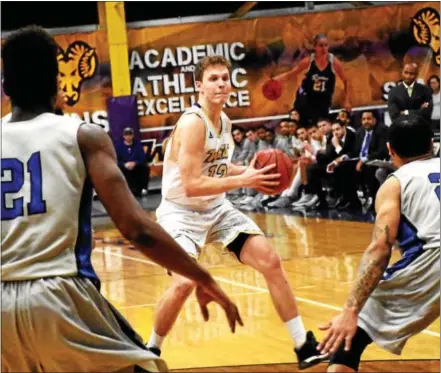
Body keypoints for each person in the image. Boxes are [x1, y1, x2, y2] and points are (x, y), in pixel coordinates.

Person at [1, 26, 243, 373]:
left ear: (6, 86)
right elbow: (137, 229)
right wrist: (204, 278)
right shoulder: (82, 136)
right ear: (58, 83)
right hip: (59, 295)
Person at [146, 55, 328, 370]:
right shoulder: (193, 123)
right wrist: (243, 180)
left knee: (271, 261)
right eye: (213, 78)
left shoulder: (225, 121)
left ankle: (302, 345)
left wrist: (252, 172)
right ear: (199, 85)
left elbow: (217, 166)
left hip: (216, 208)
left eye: (224, 78)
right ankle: (149, 351)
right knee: (183, 283)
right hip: (180, 212)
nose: (220, 84)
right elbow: (190, 184)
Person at [317, 115, 440, 372]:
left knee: (352, 332)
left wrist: (351, 309)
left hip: (431, 263)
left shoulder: (395, 183)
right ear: (432, 144)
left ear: (390, 150)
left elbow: (380, 249)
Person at [273, 34, 351, 127]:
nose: (324, 48)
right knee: (302, 126)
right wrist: (276, 80)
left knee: (320, 127)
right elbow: (291, 74)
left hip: (323, 100)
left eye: (326, 45)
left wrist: (347, 100)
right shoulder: (308, 61)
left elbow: (346, 81)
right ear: (315, 47)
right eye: (321, 45)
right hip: (306, 99)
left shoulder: (334, 62)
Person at [115, 127, 150, 197]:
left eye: (130, 134)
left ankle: (143, 188)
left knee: (145, 167)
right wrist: (124, 164)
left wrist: (135, 163)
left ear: (133, 135)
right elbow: (116, 160)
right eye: (126, 135)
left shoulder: (138, 145)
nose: (128, 136)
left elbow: (142, 157)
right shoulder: (118, 147)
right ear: (123, 136)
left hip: (136, 166)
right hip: (124, 167)